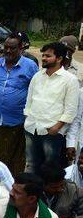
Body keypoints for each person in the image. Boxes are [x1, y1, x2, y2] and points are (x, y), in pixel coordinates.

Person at [24, 42, 80, 173]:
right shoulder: (37, 76)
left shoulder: (70, 80)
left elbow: (71, 110)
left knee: (50, 168)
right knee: (31, 165)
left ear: (59, 58)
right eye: (43, 55)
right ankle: (32, 193)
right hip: (32, 128)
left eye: (48, 56)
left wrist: (56, 128)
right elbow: (29, 101)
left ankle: (46, 193)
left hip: (52, 132)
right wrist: (28, 119)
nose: (43, 58)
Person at [0, 34, 39, 175]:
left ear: (21, 48)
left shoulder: (30, 66)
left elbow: (36, 92)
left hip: (18, 120)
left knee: (16, 157)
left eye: (13, 48)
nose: (8, 51)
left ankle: (14, 187)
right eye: (6, 47)